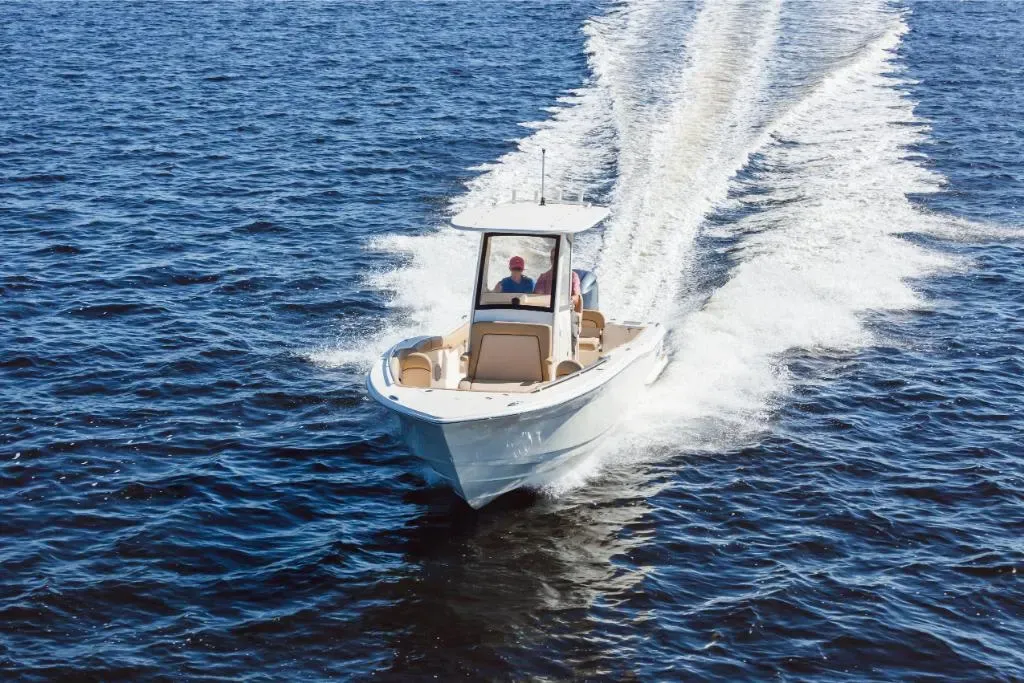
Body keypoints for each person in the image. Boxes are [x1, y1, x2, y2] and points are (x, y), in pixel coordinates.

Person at [533, 247, 581, 312]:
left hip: (566, 311)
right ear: (550, 259)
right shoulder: (543, 277)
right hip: (547, 311)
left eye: (558, 258)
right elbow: (537, 297)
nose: (556, 261)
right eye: (553, 258)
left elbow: (576, 297)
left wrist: (570, 300)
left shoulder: (573, 276)